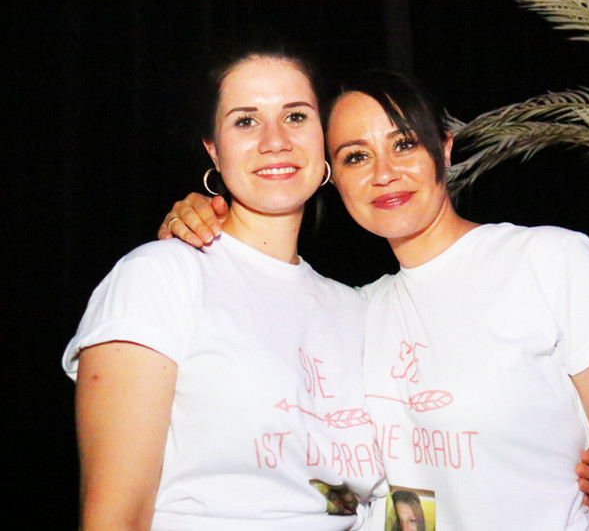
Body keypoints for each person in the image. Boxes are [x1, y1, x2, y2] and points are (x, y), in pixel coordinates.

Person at [160, 70, 589, 529]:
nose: (384, 173)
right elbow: (361, 486)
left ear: (444, 149)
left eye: (404, 144)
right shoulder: (356, 312)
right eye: (356, 156)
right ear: (330, 177)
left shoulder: (548, 262)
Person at [63, 49, 387, 531]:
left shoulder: (355, 307)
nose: (275, 141)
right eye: (245, 121)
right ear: (214, 149)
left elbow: (372, 496)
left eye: (296, 116)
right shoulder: (160, 277)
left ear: (324, 138)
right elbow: (114, 518)